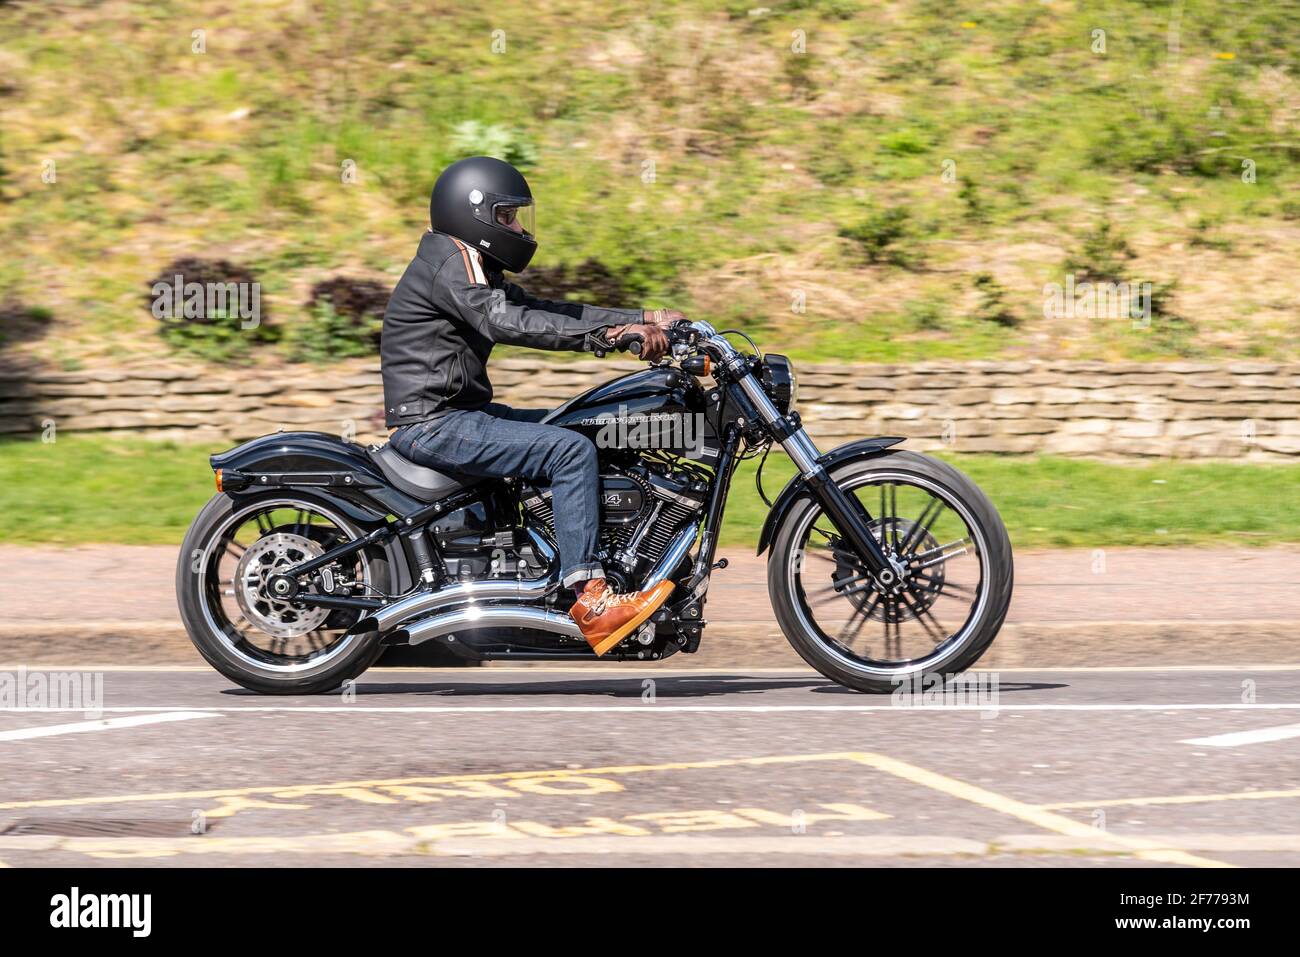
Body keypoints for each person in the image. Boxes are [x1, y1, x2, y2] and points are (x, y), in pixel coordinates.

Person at [381, 155, 684, 656]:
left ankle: (560, 558)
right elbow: (507, 322)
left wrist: (645, 316)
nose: (517, 227)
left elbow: (543, 311)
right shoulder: (449, 263)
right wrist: (610, 337)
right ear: (471, 212)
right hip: (435, 423)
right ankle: (590, 599)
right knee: (568, 451)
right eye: (507, 217)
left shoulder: (465, 263)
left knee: (580, 431)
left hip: (459, 415)